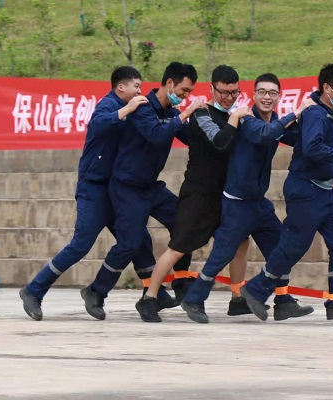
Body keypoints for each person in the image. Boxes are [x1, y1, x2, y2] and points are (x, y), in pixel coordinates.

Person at [19, 66, 159, 321]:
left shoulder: (134, 110)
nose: (140, 91)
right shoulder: (108, 106)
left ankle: (145, 294)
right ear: (121, 87)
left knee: (138, 238)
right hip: (94, 189)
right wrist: (126, 110)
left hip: (117, 188)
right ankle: (34, 290)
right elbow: (98, 124)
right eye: (136, 86)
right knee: (81, 244)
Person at [180, 73, 317, 323]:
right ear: (253, 95)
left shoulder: (275, 120)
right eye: (262, 92)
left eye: (272, 93)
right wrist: (296, 113)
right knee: (221, 255)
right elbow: (265, 134)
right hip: (237, 203)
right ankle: (194, 299)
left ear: (279, 97)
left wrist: (316, 117)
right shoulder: (247, 120)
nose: (267, 97)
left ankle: (283, 301)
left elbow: (297, 137)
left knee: (281, 247)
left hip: (259, 203)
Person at [241, 63, 333, 321]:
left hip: (327, 191)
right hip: (306, 189)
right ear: (327, 88)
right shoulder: (315, 114)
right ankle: (256, 289)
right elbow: (311, 147)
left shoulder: (330, 114)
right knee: (294, 244)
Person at [81, 62, 207, 321]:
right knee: (129, 243)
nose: (185, 96)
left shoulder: (170, 111)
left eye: (189, 93)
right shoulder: (142, 106)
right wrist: (185, 114)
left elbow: (190, 137)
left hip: (151, 186)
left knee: (185, 223)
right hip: (127, 187)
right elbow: (156, 134)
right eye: (183, 90)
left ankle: (181, 280)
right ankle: (95, 291)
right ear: (169, 83)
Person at [138, 65, 255, 323]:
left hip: (224, 195)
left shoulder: (234, 116)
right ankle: (149, 298)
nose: (229, 97)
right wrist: (236, 118)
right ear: (212, 89)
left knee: (240, 241)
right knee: (178, 248)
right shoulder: (202, 114)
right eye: (223, 92)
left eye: (234, 92)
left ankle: (237, 299)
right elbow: (220, 142)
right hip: (199, 194)